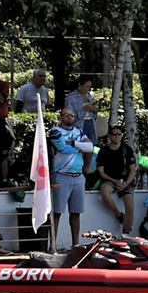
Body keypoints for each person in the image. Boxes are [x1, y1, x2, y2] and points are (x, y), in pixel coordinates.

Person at [47, 106, 94, 250]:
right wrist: (80, 146)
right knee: (58, 212)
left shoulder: (78, 131)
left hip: (78, 177)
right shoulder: (55, 131)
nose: (69, 117)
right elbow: (63, 149)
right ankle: (52, 245)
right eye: (66, 115)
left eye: (72, 115)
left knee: (76, 212)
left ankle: (76, 245)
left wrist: (73, 143)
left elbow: (90, 147)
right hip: (62, 175)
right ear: (61, 116)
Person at [96, 125, 140, 235]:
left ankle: (126, 234)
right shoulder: (104, 150)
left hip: (125, 181)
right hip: (110, 180)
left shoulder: (127, 149)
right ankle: (119, 215)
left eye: (119, 134)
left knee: (130, 206)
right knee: (104, 191)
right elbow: (101, 171)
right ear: (110, 136)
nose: (116, 136)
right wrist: (114, 181)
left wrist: (126, 184)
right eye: (114, 134)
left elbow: (133, 170)